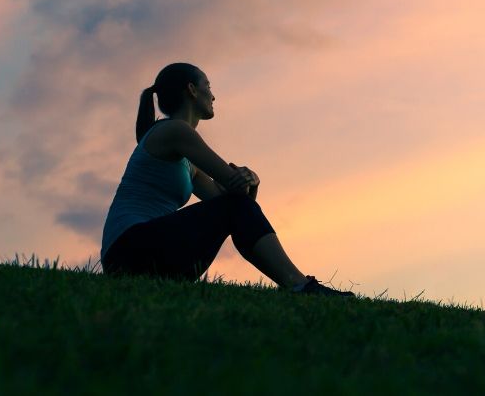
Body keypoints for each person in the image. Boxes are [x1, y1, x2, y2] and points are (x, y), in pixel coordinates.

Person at [99, 62, 354, 296]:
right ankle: (300, 285)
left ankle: (298, 285)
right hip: (130, 250)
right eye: (207, 86)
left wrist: (250, 183)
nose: (213, 95)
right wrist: (246, 178)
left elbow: (234, 203)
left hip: (141, 255)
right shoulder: (175, 131)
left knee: (235, 208)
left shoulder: (188, 162)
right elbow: (234, 191)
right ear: (191, 90)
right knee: (234, 208)